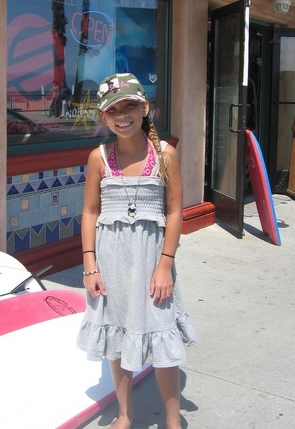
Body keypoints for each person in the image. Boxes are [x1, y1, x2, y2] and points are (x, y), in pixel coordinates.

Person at [77, 73, 196, 429]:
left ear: (145, 108)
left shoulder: (165, 155)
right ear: (103, 117)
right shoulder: (98, 158)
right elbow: (90, 213)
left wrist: (165, 266)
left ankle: (172, 420)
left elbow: (174, 212)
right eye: (113, 110)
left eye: (129, 106)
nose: (122, 116)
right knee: (116, 336)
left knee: (161, 339)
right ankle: (125, 414)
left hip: (152, 262)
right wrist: (90, 266)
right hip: (111, 263)